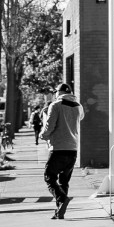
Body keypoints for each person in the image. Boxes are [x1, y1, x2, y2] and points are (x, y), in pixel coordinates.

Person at [40, 83, 84, 220]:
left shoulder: (56, 105)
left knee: (49, 177)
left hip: (58, 148)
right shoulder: (79, 106)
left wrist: (42, 135)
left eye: (55, 92)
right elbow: (80, 118)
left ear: (59, 93)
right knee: (64, 181)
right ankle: (60, 211)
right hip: (73, 149)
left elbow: (49, 126)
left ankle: (62, 200)